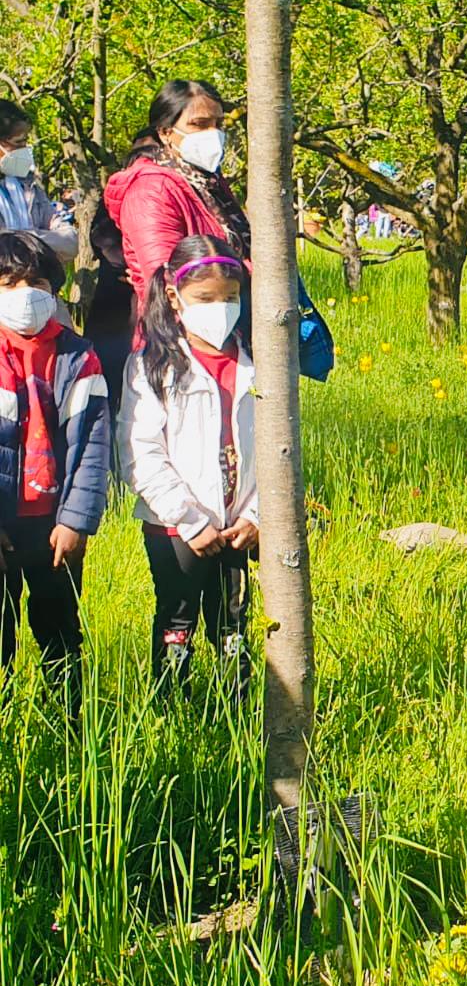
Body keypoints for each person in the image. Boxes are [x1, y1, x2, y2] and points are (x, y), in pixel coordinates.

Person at [119, 235, 257, 699]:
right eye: (206, 299)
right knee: (178, 617)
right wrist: (189, 519)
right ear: (175, 297)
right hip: (176, 529)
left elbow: (278, 451)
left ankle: (234, 706)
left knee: (234, 617)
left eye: (230, 298)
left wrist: (255, 516)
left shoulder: (257, 364)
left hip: (239, 524)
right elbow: (140, 451)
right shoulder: (152, 366)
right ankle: (172, 705)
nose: (219, 308)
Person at [0, 232, 110, 706]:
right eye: (9, 283)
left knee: (60, 634)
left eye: (36, 281)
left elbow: (92, 445)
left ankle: (68, 728)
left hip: (54, 527)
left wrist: (75, 521)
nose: (25, 293)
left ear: (55, 289)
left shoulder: (78, 356)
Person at [103, 80, 249, 311]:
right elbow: (165, 280)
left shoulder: (207, 182)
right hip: (186, 332)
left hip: (229, 314)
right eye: (199, 124)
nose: (214, 134)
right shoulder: (152, 190)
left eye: (219, 124)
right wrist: (256, 273)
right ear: (165, 132)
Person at [0, 101, 78, 261]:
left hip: (34, 283)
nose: (25, 148)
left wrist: (21, 238)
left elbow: (69, 243)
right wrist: (40, 239)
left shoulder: (28, 185)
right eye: (18, 142)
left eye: (26, 140)